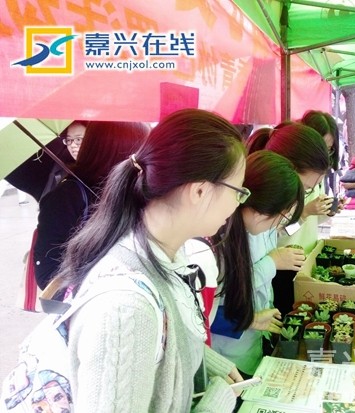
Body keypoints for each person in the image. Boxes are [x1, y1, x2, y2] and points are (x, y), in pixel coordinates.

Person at [51, 109, 247, 412]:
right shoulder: (125, 308)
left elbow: (162, 335)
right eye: (238, 191)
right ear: (199, 191)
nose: (238, 203)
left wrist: (207, 361)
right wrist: (217, 402)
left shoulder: (165, 253)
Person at [210, 150, 305, 377]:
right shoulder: (215, 244)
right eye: (282, 217)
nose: (278, 226)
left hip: (249, 346)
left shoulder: (253, 228)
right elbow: (205, 318)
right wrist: (249, 320)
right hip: (226, 360)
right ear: (261, 212)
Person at [33, 121, 150, 290]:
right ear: (119, 151)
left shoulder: (136, 189)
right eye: (142, 150)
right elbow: (48, 276)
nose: (148, 159)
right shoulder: (66, 198)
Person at [247, 122, 331, 315]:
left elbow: (277, 231)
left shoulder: (266, 216)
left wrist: (314, 214)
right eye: (305, 188)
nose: (302, 195)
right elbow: (228, 290)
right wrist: (305, 213)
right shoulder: (249, 217)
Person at [301, 110, 340, 196]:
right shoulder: (291, 173)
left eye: (328, 149)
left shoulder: (320, 172)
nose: (325, 155)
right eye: (321, 148)